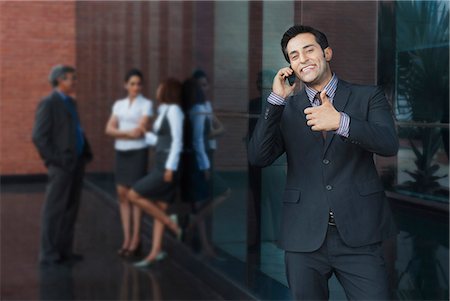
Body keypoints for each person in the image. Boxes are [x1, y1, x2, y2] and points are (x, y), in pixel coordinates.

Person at [248, 25, 399, 300]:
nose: (302, 59)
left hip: (359, 233)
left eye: (309, 50)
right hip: (303, 234)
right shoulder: (287, 109)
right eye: (294, 56)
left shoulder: (368, 96)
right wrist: (276, 99)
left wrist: (342, 122)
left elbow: (389, 143)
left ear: (326, 53)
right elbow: (258, 156)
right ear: (291, 66)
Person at [32, 65, 93, 266]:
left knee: (71, 209)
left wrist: (85, 151)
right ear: (60, 80)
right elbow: (39, 137)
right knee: (54, 210)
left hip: (77, 162)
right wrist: (55, 160)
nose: (75, 82)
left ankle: (65, 251)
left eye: (75, 78)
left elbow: (76, 129)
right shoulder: (49, 103)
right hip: (62, 165)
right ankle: (48, 253)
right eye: (71, 79)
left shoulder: (71, 103)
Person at [127, 78, 184, 267]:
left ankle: (171, 224)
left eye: (160, 87)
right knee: (159, 208)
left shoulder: (175, 111)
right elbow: (161, 141)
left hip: (166, 167)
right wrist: (146, 134)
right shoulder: (165, 110)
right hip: (161, 162)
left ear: (167, 91)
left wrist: (170, 167)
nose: (157, 90)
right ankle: (155, 252)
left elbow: (177, 141)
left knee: (133, 194)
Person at [105, 69, 153, 257]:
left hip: (138, 153)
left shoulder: (146, 104)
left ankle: (136, 238)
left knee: (135, 195)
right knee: (122, 195)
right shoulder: (119, 104)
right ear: (126, 85)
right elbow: (108, 129)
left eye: (139, 83)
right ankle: (126, 238)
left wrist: (120, 133)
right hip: (121, 153)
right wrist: (126, 134)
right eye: (132, 83)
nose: (136, 87)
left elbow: (140, 130)